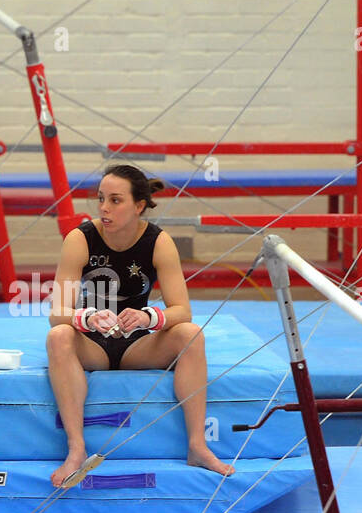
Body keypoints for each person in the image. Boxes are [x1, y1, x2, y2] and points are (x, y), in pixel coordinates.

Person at [46, 163, 235, 487]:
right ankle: (76, 449)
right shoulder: (80, 239)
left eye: (115, 200)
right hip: (92, 342)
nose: (104, 208)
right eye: (101, 198)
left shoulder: (158, 242)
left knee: (190, 335)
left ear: (139, 206)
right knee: (58, 335)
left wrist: (150, 316)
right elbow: (57, 311)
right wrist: (88, 317)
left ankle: (197, 445)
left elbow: (182, 311)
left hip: (137, 344)